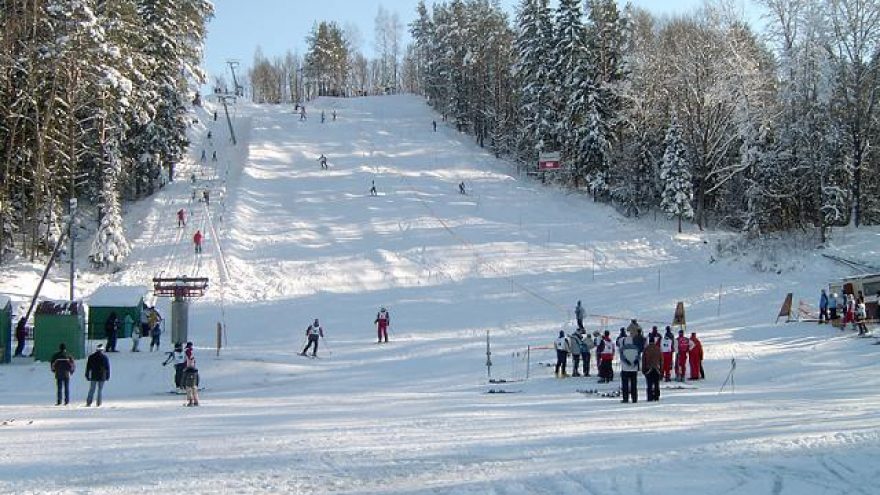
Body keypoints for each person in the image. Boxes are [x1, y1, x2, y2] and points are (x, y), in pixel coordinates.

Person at [619, 327, 641, 403]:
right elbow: (638, 357)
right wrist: (634, 363)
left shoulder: (623, 348)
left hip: (625, 369)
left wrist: (627, 362)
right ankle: (634, 398)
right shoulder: (636, 348)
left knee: (625, 385)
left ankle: (625, 398)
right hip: (634, 369)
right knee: (634, 384)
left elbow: (622, 357)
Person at [642, 336, 662, 402]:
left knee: (649, 384)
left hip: (648, 369)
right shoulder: (658, 349)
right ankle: (656, 396)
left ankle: (650, 397)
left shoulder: (646, 349)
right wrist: (661, 369)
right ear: (654, 341)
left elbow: (643, 360)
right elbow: (661, 360)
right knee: (656, 383)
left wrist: (643, 369)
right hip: (657, 369)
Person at [183, 342, 199, 406]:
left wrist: (186, 367)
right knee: (193, 386)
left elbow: (189, 360)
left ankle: (191, 401)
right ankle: (196, 401)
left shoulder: (188, 351)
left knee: (189, 387)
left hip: (189, 370)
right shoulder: (191, 351)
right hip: (193, 370)